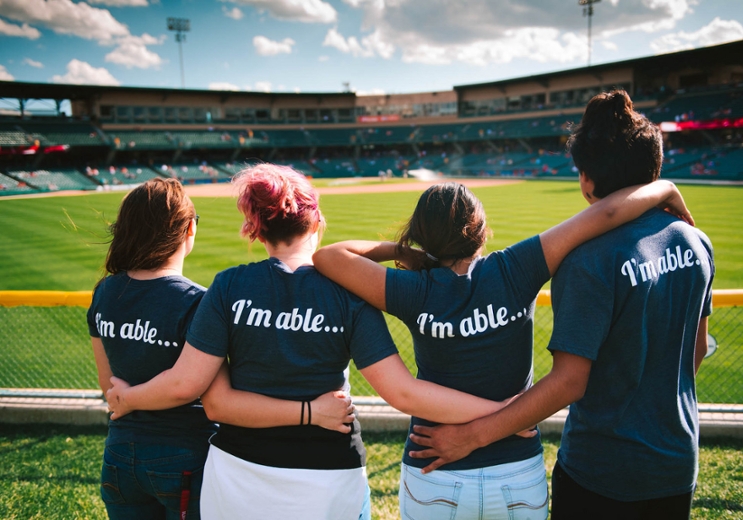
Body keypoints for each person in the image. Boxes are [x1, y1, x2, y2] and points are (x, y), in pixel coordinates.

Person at [106, 164, 517, 520]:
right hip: (329, 475)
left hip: (236, 473)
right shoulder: (347, 294)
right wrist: (505, 414)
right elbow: (405, 393)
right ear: (317, 220)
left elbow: (213, 402)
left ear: (255, 229)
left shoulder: (228, 286)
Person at [406, 90, 714, 520]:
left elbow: (570, 383)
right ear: (653, 167)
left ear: (587, 180)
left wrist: (474, 436)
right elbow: (696, 351)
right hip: (677, 459)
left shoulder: (588, 260)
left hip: (600, 467)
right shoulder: (696, 241)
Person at [313, 175, 693, 518]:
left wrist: (407, 253)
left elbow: (328, 256)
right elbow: (608, 212)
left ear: (423, 236)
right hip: (516, 470)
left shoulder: (414, 290)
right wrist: (667, 188)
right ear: (479, 230)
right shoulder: (516, 268)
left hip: (434, 468)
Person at [87, 178, 215, 519]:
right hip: (185, 454)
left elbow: (109, 387)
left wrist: (128, 399)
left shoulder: (104, 292)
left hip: (118, 453)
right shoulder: (198, 301)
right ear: (189, 229)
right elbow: (185, 387)